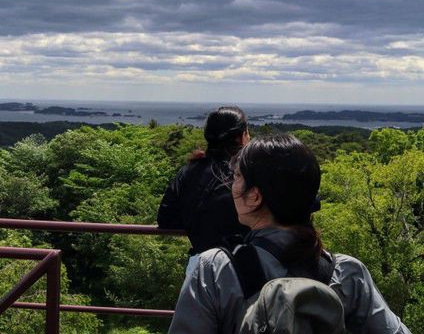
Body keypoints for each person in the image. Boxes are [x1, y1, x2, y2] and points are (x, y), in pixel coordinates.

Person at [167, 133, 412, 334]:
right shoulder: (347, 273)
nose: (232, 185)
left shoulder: (214, 270)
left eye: (238, 177)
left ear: (254, 196)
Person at [157, 106, 251, 278]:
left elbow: (166, 218)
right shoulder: (251, 171)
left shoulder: (189, 170)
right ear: (241, 136)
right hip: (247, 268)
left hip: (201, 268)